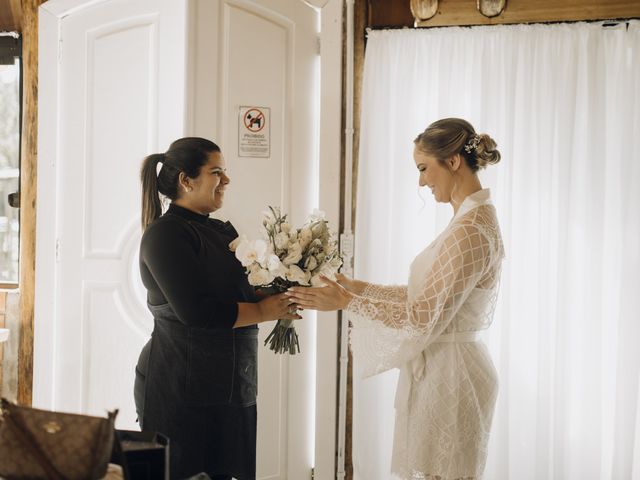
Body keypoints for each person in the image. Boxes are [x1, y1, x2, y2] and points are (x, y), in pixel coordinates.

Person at [287, 118, 505, 480]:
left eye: (423, 169)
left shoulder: (471, 229)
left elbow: (421, 316)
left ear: (452, 161)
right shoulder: (467, 220)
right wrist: (355, 287)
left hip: (452, 376)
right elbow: (425, 297)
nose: (421, 181)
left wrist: (346, 302)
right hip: (442, 368)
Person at [134, 137, 300, 480]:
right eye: (216, 172)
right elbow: (198, 312)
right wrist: (267, 311)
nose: (226, 180)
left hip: (233, 385)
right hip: (180, 387)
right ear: (186, 179)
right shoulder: (164, 236)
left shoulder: (222, 231)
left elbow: (239, 290)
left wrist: (287, 285)